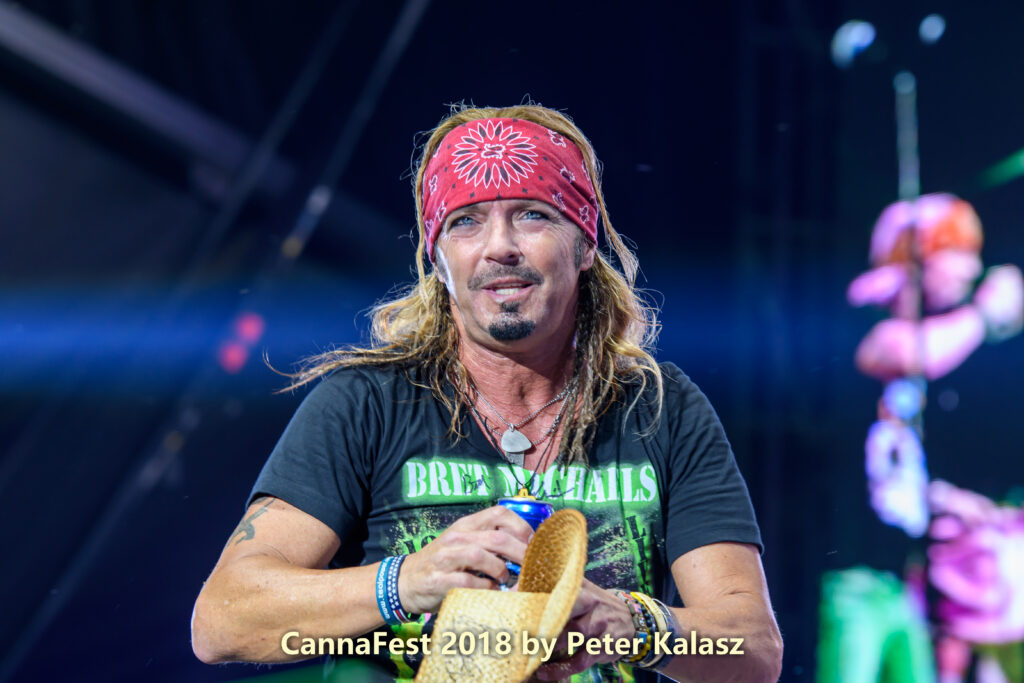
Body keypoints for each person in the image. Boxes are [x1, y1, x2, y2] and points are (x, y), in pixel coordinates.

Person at [191, 104, 783, 682]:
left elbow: (754, 649)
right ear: (438, 258)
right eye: (466, 221)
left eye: (532, 214)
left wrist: (636, 624)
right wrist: (407, 581)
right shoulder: (365, 403)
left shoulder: (660, 409)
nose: (499, 245)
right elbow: (222, 623)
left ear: (584, 246)